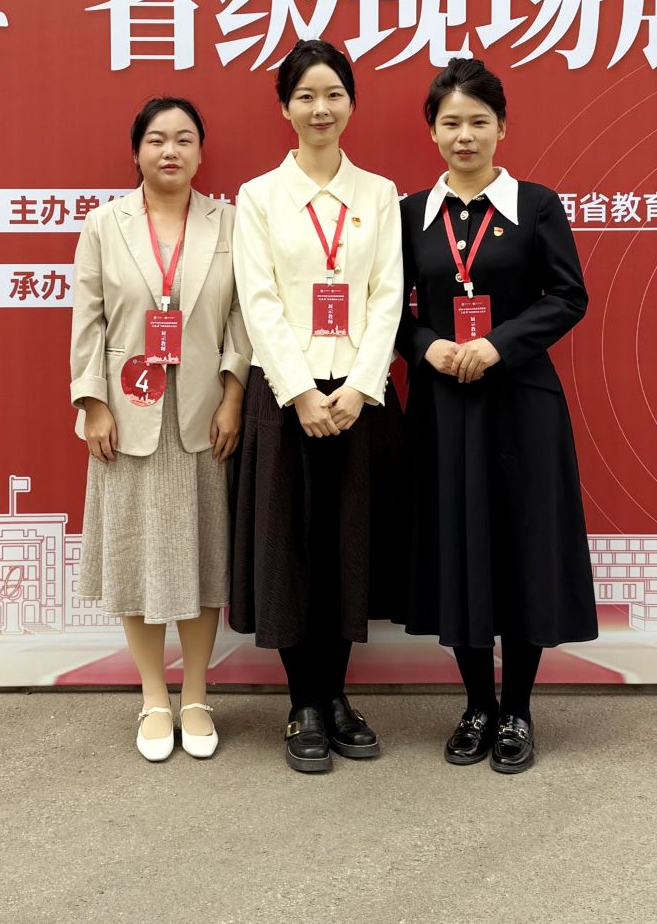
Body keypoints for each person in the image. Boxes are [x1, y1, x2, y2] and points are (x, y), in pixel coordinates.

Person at [391, 59, 596, 773]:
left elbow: (568, 297)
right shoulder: (410, 214)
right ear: (432, 131)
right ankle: (476, 703)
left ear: (502, 127)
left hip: (521, 404)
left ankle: (518, 710)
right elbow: (387, 310)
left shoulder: (536, 205)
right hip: (443, 405)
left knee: (521, 548)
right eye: (451, 122)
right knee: (460, 549)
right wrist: (428, 345)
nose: (465, 135)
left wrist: (497, 344)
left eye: (479, 121)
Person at [228, 40, 405, 774]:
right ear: (285, 108)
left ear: (351, 104)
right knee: (292, 551)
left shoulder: (380, 194)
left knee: (347, 549)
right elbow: (258, 298)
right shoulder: (259, 197)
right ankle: (302, 702)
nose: (320, 108)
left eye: (333, 94)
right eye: (305, 96)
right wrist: (300, 391)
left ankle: (337, 697)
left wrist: (360, 387)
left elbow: (388, 294)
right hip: (285, 397)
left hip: (359, 397)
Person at [69, 97, 250, 762]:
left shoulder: (230, 221)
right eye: (156, 139)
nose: (169, 150)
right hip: (126, 414)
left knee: (202, 556)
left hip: (205, 415)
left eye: (183, 139)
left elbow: (242, 316)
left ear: (201, 152)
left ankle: (195, 695)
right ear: (136, 151)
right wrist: (92, 402)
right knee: (137, 558)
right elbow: (88, 319)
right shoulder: (103, 224)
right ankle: (152, 695)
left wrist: (233, 393)